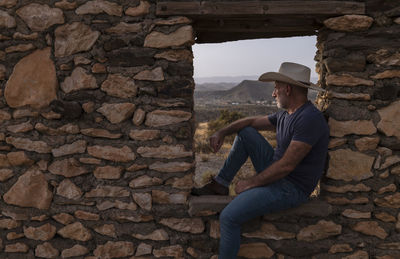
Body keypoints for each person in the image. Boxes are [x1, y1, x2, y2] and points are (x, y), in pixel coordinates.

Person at [191, 62, 330, 259]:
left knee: (229, 217)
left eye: (276, 88)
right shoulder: (286, 115)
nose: (274, 94)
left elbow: (287, 166)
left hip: (291, 187)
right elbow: (249, 123)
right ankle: (220, 184)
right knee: (246, 132)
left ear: (287, 89)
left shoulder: (309, 119)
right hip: (278, 174)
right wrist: (222, 131)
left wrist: (250, 183)